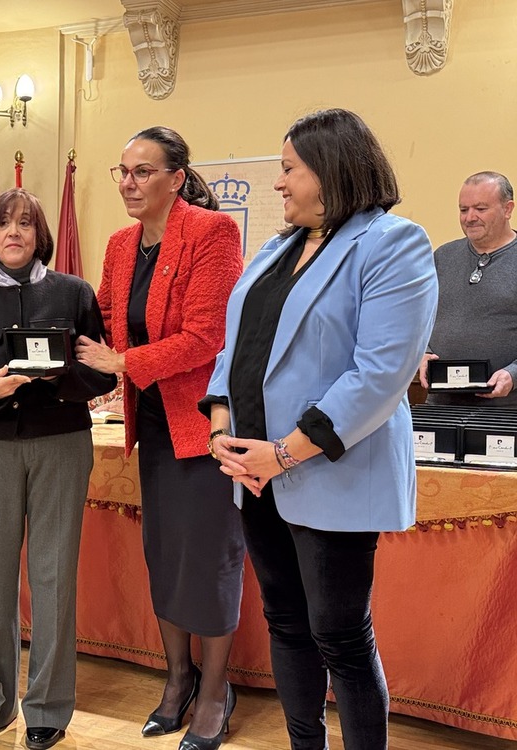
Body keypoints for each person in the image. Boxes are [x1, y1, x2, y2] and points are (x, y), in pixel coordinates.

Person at [200, 109, 438, 750]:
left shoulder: (394, 243)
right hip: (254, 473)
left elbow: (379, 374)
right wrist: (222, 427)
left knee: (339, 634)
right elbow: (235, 349)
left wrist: (283, 452)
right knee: (285, 622)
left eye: (288, 170)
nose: (278, 184)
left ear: (330, 172)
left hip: (330, 469)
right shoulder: (276, 250)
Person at [75, 126, 245, 750]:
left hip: (203, 428)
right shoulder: (121, 244)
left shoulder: (211, 232)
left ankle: (216, 691)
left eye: (143, 171)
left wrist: (122, 363)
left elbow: (207, 337)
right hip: (149, 428)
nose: (127, 182)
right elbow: (100, 318)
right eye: (122, 170)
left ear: (176, 178)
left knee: (210, 561)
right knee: (165, 557)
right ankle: (178, 679)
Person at [0, 189, 116, 750]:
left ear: (41, 235)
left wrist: (60, 378)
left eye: (25, 224)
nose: (13, 232)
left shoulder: (74, 293)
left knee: (53, 573)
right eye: (3, 224)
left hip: (61, 441)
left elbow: (103, 376)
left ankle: (47, 705)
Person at [420, 171, 517, 405]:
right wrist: (422, 353)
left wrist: (514, 374)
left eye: (480, 209)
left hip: (505, 411)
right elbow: (420, 317)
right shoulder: (442, 256)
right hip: (442, 406)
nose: (470, 217)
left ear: (508, 209)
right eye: (464, 210)